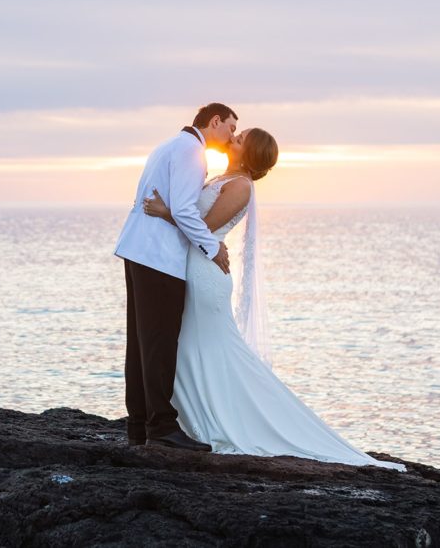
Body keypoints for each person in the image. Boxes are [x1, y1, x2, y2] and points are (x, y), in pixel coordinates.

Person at [142, 128, 406, 470]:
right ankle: (193, 419)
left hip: (205, 275)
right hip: (195, 266)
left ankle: (233, 419)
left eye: (240, 138)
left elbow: (204, 228)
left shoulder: (240, 186)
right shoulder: (225, 177)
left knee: (213, 348)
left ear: (249, 152)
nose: (233, 139)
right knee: (191, 346)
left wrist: (165, 211)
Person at [114, 103, 237, 451]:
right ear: (214, 121)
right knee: (159, 342)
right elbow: (184, 209)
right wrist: (212, 248)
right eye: (229, 127)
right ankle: (162, 427)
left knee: (140, 342)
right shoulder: (191, 152)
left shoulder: (169, 145)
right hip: (158, 257)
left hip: (139, 249)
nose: (230, 136)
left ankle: (139, 426)